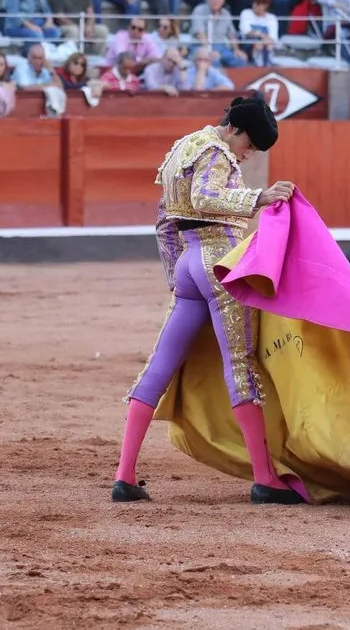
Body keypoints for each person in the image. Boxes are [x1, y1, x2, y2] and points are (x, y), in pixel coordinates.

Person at [112, 94, 300, 506]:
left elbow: (165, 220)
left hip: (189, 262)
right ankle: (265, 478)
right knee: (241, 365)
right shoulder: (216, 150)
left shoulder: (184, 147)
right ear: (233, 128)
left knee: (159, 365)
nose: (248, 153)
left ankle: (125, 475)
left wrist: (177, 276)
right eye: (249, 144)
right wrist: (258, 198)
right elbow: (204, 197)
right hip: (220, 263)